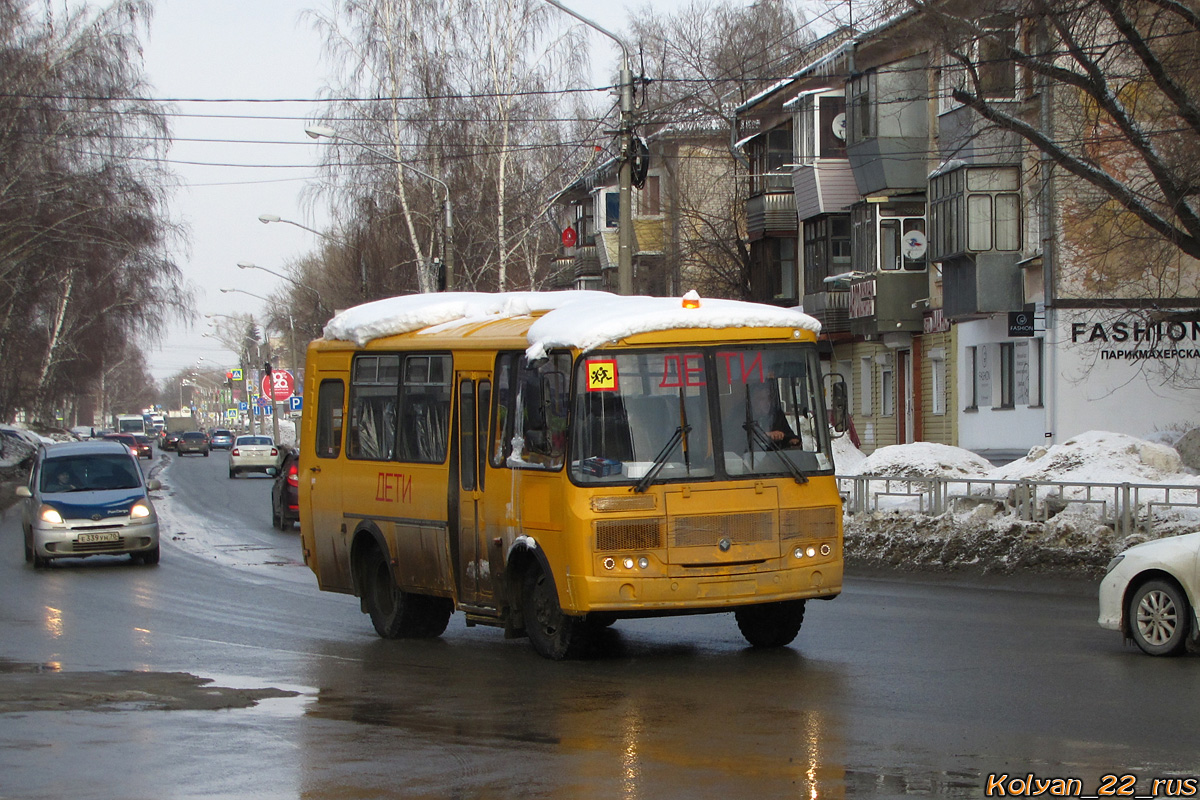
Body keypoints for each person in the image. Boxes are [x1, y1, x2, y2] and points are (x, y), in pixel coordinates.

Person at [747, 383, 800, 448]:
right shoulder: (743, 416)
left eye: (769, 398)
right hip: (749, 456)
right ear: (753, 400)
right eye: (763, 399)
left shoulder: (776, 414)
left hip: (776, 456)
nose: (767, 402)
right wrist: (765, 435)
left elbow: (789, 434)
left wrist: (792, 440)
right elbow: (739, 440)